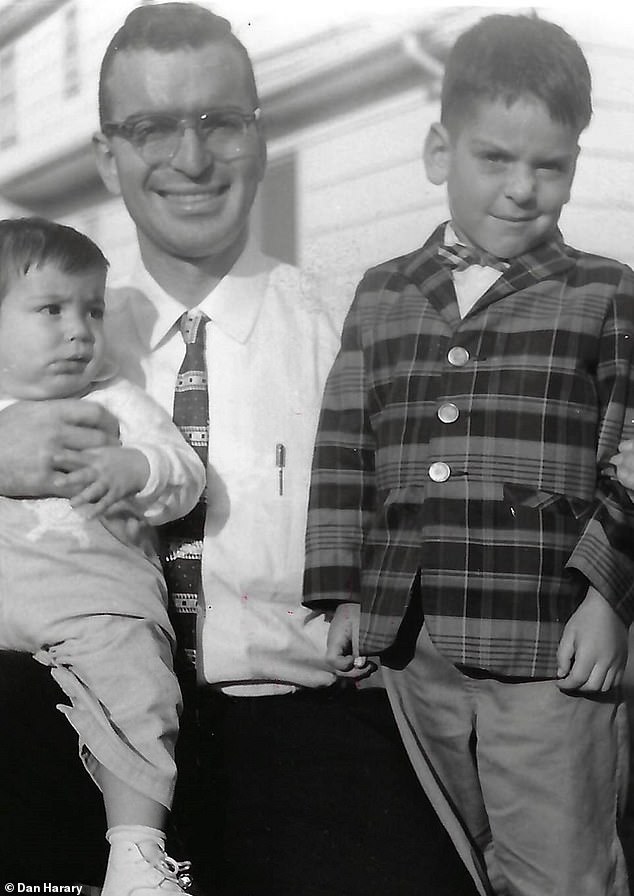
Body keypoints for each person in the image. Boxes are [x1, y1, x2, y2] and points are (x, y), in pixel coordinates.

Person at [0, 5, 480, 895]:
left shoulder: (351, 333)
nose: (189, 158)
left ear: (261, 139)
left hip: (299, 728)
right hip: (61, 709)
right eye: (150, 128)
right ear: (108, 156)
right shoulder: (45, 324)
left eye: (219, 120)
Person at [304, 13, 634, 896]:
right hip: (414, 642)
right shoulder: (383, 293)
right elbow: (346, 448)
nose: (525, 188)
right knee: (452, 857)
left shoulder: (605, 292)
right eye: (497, 158)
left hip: (550, 640)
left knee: (561, 869)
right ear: (437, 150)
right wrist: (341, 591)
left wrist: (609, 596)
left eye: (550, 165)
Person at [0, 217, 206, 895]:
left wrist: (137, 467)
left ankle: (138, 852)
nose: (79, 330)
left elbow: (184, 478)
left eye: (92, 308)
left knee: (139, 692)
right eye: (51, 310)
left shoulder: (113, 402)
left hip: (98, 605)